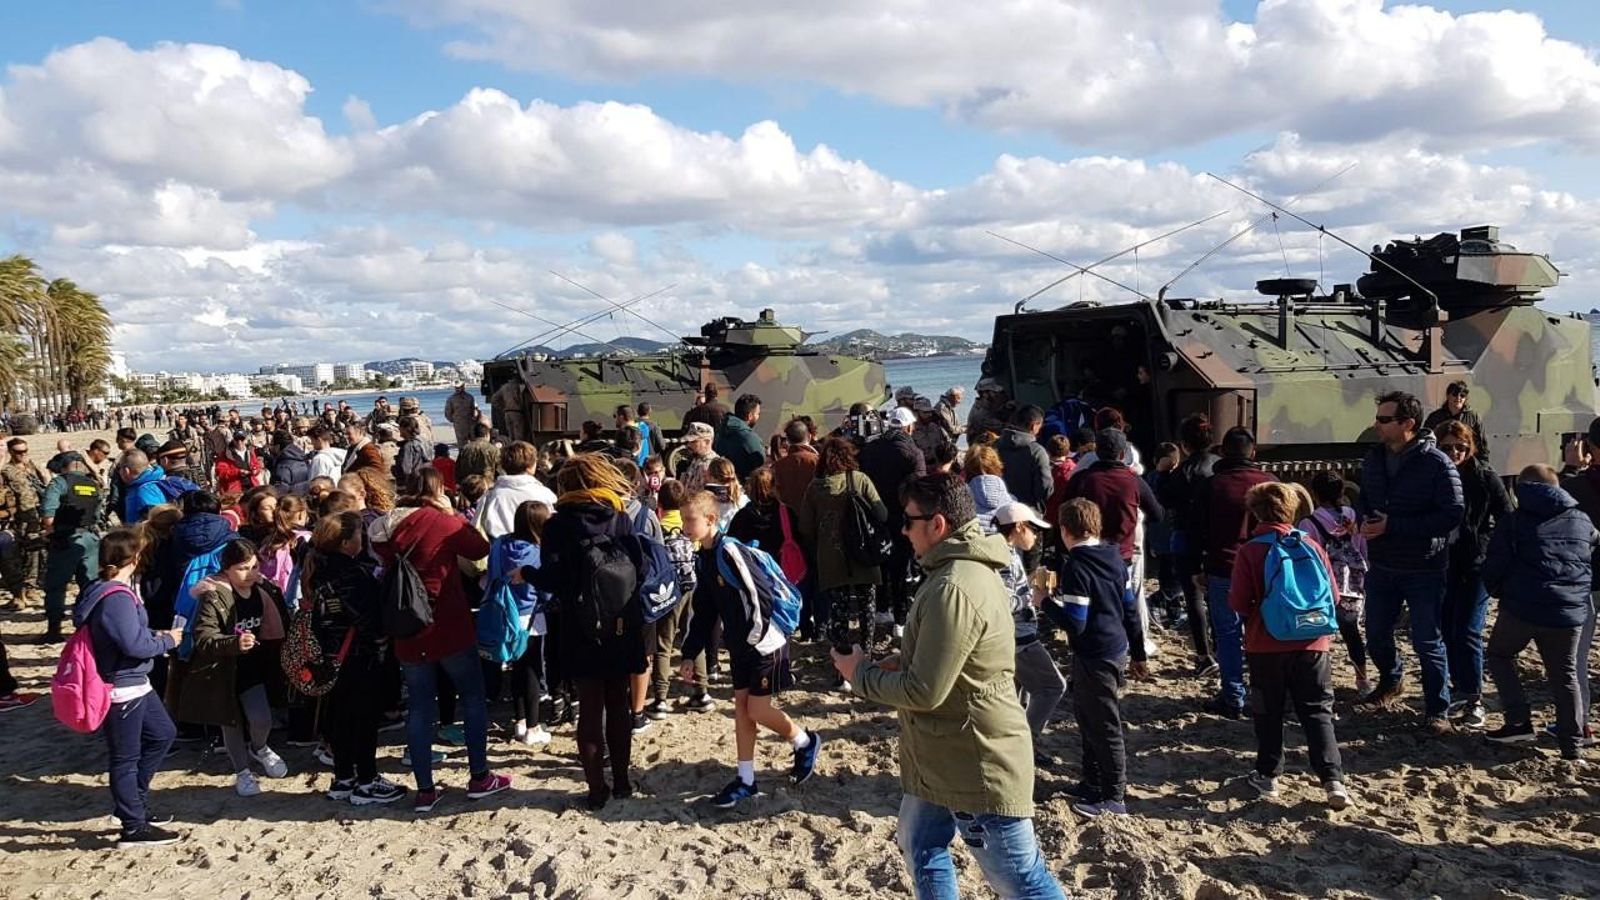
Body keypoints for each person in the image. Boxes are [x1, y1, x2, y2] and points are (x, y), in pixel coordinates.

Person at [832, 473, 1063, 900]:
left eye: (909, 521)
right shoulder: (956, 573)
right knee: (921, 845)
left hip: (975, 761)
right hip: (943, 754)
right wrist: (900, 659)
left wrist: (858, 673)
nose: (902, 530)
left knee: (1022, 882)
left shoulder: (954, 585)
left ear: (937, 525)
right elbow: (958, 654)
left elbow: (924, 691)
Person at [369, 467, 508, 813]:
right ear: (437, 489)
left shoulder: (383, 527)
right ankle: (479, 776)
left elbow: (378, 550)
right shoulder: (441, 521)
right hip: (447, 621)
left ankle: (426, 789)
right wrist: (451, 512)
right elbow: (478, 547)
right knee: (472, 698)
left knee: (419, 707)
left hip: (407, 625)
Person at [679, 489, 822, 808]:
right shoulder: (703, 557)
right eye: (684, 519)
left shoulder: (729, 551)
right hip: (743, 644)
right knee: (742, 710)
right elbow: (704, 610)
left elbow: (761, 597)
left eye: (691, 520)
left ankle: (805, 741)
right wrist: (690, 653)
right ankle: (746, 779)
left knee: (756, 709)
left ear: (711, 519)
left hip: (764, 640)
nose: (686, 526)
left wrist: (755, 639)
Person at [520, 454, 647, 810]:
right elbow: (638, 566)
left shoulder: (559, 526)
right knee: (619, 703)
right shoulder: (619, 516)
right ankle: (621, 781)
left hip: (579, 624)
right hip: (621, 622)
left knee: (590, 709)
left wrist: (527, 575)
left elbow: (554, 578)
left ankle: (596, 789)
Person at [1229, 483, 1352, 809]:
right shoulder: (1310, 544)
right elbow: (1334, 596)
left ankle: (1268, 776)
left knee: (1268, 712)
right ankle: (1333, 780)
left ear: (1256, 512)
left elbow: (1239, 602)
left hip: (1266, 643)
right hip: (1314, 641)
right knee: (1317, 711)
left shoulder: (1251, 550)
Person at [1356, 390, 1465, 734]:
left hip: (1424, 566)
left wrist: (1394, 525)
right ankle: (1391, 680)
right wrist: (1359, 519)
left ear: (1408, 424)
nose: (1377, 424)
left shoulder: (1436, 463)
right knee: (1375, 633)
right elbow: (1365, 498)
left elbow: (1452, 514)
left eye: (1385, 420)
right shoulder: (1374, 458)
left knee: (1427, 640)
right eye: (1377, 417)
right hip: (1382, 563)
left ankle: (1437, 709)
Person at [75, 528, 184, 846]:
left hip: (135, 682)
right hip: (122, 685)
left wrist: (152, 634)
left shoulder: (105, 589)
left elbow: (130, 635)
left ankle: (132, 805)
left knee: (163, 734)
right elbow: (133, 644)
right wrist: (165, 640)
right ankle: (133, 826)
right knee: (125, 757)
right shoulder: (116, 597)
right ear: (133, 558)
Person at [1036, 498, 1145, 815]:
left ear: (1066, 531)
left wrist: (1044, 601)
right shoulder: (1114, 557)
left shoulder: (1077, 566)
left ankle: (1113, 796)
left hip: (1094, 653)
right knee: (1088, 717)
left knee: (1104, 724)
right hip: (1115, 648)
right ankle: (1092, 782)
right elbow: (1130, 609)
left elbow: (1075, 623)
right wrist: (1138, 653)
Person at [1483, 464, 1599, 758]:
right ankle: (1572, 743)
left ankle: (1519, 720)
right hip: (1569, 611)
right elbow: (1592, 544)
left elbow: (1495, 564)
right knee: (1565, 674)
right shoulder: (1581, 519)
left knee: (1499, 655)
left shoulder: (1514, 520)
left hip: (1522, 608)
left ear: (1523, 489)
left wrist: (1499, 592)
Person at [299, 510, 406, 804]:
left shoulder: (317, 569)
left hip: (329, 657)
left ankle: (344, 777)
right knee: (364, 720)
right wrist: (381, 638)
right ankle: (367, 780)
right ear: (347, 542)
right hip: (360, 656)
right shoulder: (354, 574)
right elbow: (366, 619)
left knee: (339, 718)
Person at [174, 539, 292, 798]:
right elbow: (204, 636)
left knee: (262, 719)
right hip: (222, 669)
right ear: (226, 568)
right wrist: (234, 643)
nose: (249, 574)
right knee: (232, 723)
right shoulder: (214, 595)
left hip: (253, 665)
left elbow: (279, 622)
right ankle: (242, 771)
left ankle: (259, 748)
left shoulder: (264, 590)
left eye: (253, 567)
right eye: (242, 568)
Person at [1192, 426, 1276, 719]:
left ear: (1223, 452)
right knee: (1265, 634)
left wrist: (1199, 567)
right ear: (1252, 452)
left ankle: (1233, 697)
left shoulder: (1213, 485)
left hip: (1224, 568)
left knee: (1228, 636)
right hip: (1266, 570)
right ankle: (1265, 695)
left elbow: (1199, 531)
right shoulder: (1269, 483)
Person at [1435, 421, 1511, 729]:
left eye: (1461, 447)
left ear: (1471, 448)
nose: (1455, 453)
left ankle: (1474, 698)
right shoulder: (1434, 475)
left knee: (1467, 629)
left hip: (1475, 563)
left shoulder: (1484, 477)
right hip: (1442, 562)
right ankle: (1460, 686)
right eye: (1448, 447)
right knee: (1447, 627)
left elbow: (1507, 516)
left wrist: (1489, 548)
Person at [799, 437, 887, 688]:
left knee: (837, 614)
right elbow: (882, 514)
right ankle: (866, 663)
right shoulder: (860, 480)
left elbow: (805, 526)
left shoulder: (816, 487)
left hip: (832, 556)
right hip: (863, 554)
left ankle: (842, 672)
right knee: (866, 609)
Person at [992, 502, 1066, 742]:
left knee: (1017, 697)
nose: (1037, 535)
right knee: (1053, 686)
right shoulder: (1003, 555)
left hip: (1013, 636)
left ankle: (1016, 743)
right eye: (1034, 529)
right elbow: (1001, 600)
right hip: (1019, 638)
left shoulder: (1006, 551)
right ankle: (1027, 743)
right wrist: (1031, 598)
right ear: (1020, 527)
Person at [1298, 472, 1372, 696]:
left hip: (1324, 586)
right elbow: (1362, 546)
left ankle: (1319, 679)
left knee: (1318, 634)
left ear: (1315, 494)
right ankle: (1362, 679)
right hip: (1353, 583)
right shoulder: (1352, 516)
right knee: (1352, 633)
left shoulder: (1309, 523)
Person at [1158, 414, 1219, 678]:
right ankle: (1221, 646)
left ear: (1183, 444)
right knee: (1218, 596)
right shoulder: (1220, 465)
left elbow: (1165, 501)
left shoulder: (1183, 472)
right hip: (1218, 538)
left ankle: (1204, 655)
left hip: (1187, 539)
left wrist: (1162, 472)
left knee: (1193, 598)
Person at [492, 500, 554, 747]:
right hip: (530, 616)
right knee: (531, 670)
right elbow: (545, 590)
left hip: (504, 611)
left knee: (516, 668)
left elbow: (493, 574)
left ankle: (518, 720)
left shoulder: (500, 544)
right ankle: (533, 727)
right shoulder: (538, 552)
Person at [861, 406, 927, 631]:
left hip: (875, 514)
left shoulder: (870, 449)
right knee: (900, 566)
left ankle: (881, 609)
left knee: (880, 562)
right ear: (908, 427)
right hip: (902, 515)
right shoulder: (913, 453)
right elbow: (919, 487)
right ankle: (900, 616)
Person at [1558, 418, 1600, 746]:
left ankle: (1581, 726)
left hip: (1587, 580)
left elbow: (1557, 501)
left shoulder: (1579, 484)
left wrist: (1571, 468)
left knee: (1576, 658)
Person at [37, 452, 104, 641]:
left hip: (65, 540)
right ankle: (86, 626)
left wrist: (49, 533)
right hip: (90, 539)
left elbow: (48, 515)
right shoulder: (93, 484)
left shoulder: (59, 483)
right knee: (89, 584)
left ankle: (54, 629)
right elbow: (98, 514)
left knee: (56, 586)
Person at [1, 436, 48, 609]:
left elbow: (43, 483)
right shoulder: (7, 470)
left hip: (37, 512)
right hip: (20, 516)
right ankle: (24, 589)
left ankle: (32, 587)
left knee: (36, 549)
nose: (23, 455)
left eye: (25, 451)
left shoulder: (31, 466)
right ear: (11, 452)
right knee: (25, 551)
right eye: (19, 452)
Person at [476, 441, 558, 535]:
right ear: (529, 467)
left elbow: (477, 528)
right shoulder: (544, 494)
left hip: (499, 547)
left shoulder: (490, 497)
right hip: (538, 547)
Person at [995, 405, 1052, 512]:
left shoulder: (994, 446)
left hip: (1000, 511)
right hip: (1029, 513)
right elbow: (1045, 488)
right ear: (1034, 426)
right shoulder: (1037, 451)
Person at [1423, 380, 1490, 462]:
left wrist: (1483, 463)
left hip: (1466, 463)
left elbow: (1482, 444)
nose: (1458, 398)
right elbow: (1425, 440)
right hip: (1441, 461)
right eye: (1455, 394)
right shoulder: (1435, 417)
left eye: (1462, 395)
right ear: (1448, 396)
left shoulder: (1473, 417)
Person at [712, 393, 765, 479]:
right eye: (758, 414)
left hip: (721, 479)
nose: (758, 416)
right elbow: (760, 462)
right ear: (750, 416)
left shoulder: (721, 430)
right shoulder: (748, 437)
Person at [675, 422, 720, 493]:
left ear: (707, 442)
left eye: (694, 441)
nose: (689, 445)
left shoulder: (715, 465)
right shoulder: (694, 459)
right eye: (689, 441)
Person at [393, 416, 430, 485]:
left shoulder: (408, 446)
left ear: (406, 429)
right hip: (425, 478)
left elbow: (406, 469)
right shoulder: (423, 441)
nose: (399, 430)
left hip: (412, 482)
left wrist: (395, 470)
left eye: (400, 428)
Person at [445, 382, 478, 447]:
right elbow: (447, 413)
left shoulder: (470, 397)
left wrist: (474, 418)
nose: (457, 389)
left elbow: (474, 409)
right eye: (456, 388)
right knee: (462, 444)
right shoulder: (451, 399)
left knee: (474, 443)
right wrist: (454, 420)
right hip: (459, 425)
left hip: (470, 423)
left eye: (459, 387)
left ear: (463, 387)